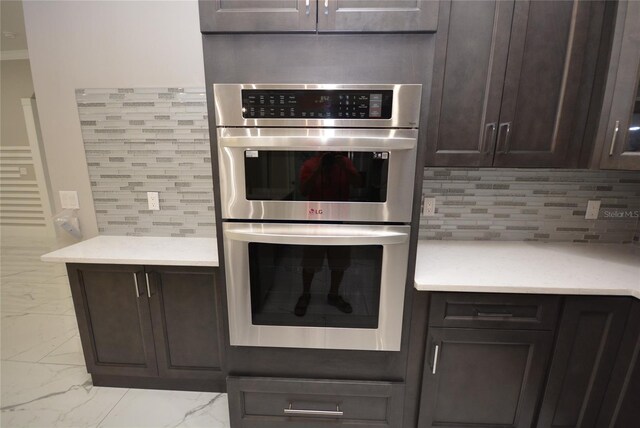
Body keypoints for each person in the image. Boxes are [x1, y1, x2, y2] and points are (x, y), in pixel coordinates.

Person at [295, 152, 362, 316]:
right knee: (310, 262)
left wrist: (345, 168)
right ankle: (305, 294)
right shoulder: (310, 164)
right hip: (315, 220)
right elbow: (303, 191)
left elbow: (359, 184)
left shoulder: (345, 162)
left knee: (339, 262)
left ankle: (333, 295)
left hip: (339, 220)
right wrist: (317, 170)